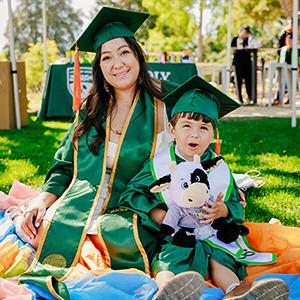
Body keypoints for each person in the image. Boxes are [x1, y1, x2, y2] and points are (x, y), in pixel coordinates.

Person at [2, 6, 181, 298]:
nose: (117, 64)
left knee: (114, 239)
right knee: (37, 227)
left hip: (137, 205)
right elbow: (64, 166)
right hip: (83, 203)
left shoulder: (166, 103)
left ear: (138, 56)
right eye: (106, 57)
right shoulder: (90, 109)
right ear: (98, 67)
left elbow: (195, 148)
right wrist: (42, 200)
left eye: (124, 53)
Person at [120, 75, 289, 299]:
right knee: (170, 257)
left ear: (213, 135)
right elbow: (132, 193)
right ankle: (167, 290)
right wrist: (157, 212)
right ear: (172, 130)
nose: (194, 134)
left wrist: (224, 211)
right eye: (186, 126)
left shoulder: (220, 168)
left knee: (220, 257)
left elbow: (235, 203)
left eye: (203, 128)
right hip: (179, 232)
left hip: (214, 233)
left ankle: (235, 291)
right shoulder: (159, 166)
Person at [231, 25, 253, 104]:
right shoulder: (235, 39)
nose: (246, 34)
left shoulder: (249, 40)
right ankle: (239, 98)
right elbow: (233, 50)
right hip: (238, 62)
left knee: (249, 80)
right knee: (238, 80)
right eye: (245, 32)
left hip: (247, 62)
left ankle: (250, 97)